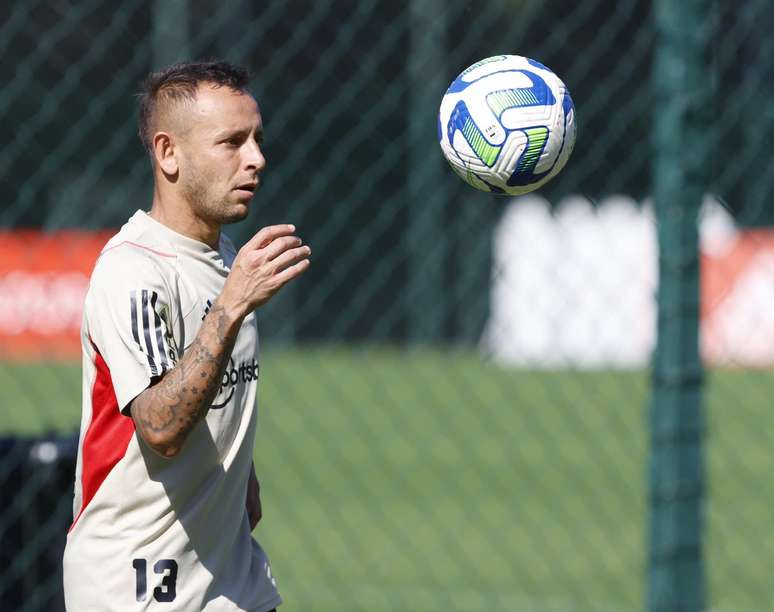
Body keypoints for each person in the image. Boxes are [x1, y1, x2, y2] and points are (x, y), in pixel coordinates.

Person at [62, 60, 310, 611]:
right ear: (168, 153)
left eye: (257, 139)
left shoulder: (223, 257)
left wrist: (236, 477)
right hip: (138, 587)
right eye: (232, 142)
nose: (257, 159)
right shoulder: (133, 269)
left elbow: (214, 391)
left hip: (230, 580)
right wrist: (232, 305)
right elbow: (160, 426)